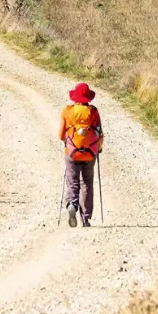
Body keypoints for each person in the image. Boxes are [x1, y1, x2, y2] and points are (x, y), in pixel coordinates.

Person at [59, 82, 103, 227]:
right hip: (90, 153)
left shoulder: (67, 111)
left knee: (73, 181)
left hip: (71, 152)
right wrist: (99, 148)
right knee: (87, 182)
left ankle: (72, 204)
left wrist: (68, 142)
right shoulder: (94, 112)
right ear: (88, 98)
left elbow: (61, 135)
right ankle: (86, 217)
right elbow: (99, 134)